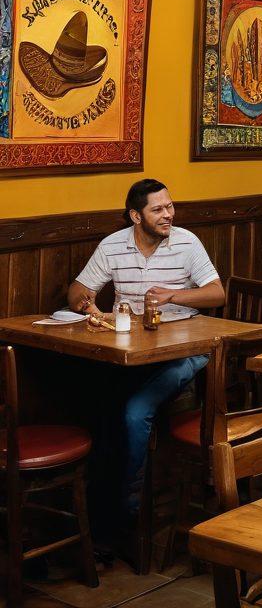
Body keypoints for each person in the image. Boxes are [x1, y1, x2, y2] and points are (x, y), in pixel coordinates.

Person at [67, 179, 225, 520]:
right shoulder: (113, 246)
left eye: (170, 206)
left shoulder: (187, 242)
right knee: (96, 404)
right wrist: (86, 305)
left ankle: (127, 509)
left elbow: (217, 294)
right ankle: (100, 506)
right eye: (158, 209)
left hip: (187, 349)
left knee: (135, 412)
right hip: (131, 349)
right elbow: (78, 290)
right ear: (135, 217)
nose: (168, 215)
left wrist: (174, 295)